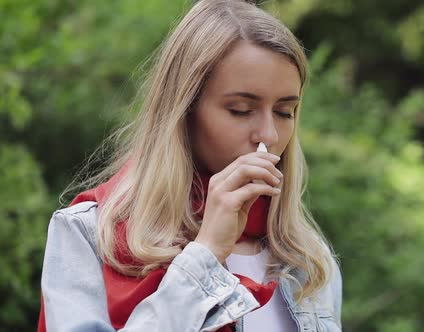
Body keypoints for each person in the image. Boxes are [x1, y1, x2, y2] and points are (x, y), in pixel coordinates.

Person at [36, 0, 342, 331]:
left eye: (285, 112)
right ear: (183, 111)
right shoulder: (89, 234)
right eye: (240, 109)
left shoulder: (308, 260)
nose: (268, 134)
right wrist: (205, 254)